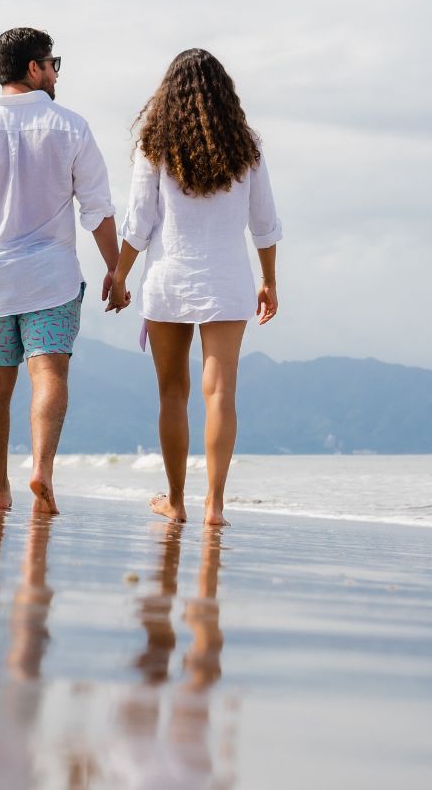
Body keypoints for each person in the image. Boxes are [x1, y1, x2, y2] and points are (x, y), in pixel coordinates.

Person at [0, 27, 127, 514]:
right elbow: (97, 210)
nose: (56, 72)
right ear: (34, 68)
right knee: (49, 372)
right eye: (52, 62)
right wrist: (116, 271)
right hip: (51, 279)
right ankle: (42, 468)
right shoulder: (71, 127)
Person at [108, 48, 282, 526]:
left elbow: (138, 224)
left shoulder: (155, 147)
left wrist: (120, 274)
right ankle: (215, 506)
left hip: (168, 281)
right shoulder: (246, 147)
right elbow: (264, 224)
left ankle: (178, 501)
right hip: (228, 282)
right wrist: (269, 280)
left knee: (171, 393)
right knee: (220, 392)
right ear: (225, 94)